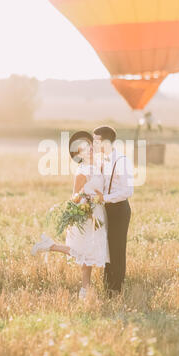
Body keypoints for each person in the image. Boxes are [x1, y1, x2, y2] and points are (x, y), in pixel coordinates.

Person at [31, 131, 109, 300]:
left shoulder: (97, 165)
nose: (89, 150)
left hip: (98, 213)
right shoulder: (81, 171)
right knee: (84, 251)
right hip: (87, 214)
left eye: (89, 147)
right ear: (78, 154)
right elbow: (74, 196)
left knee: (90, 251)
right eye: (84, 149)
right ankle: (84, 288)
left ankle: (84, 287)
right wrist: (86, 203)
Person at [93, 126, 133, 295]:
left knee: (117, 248)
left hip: (118, 209)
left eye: (96, 140)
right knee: (106, 248)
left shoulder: (121, 160)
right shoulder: (102, 160)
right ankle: (107, 285)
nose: (93, 144)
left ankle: (116, 288)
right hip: (105, 209)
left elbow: (127, 191)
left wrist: (105, 199)